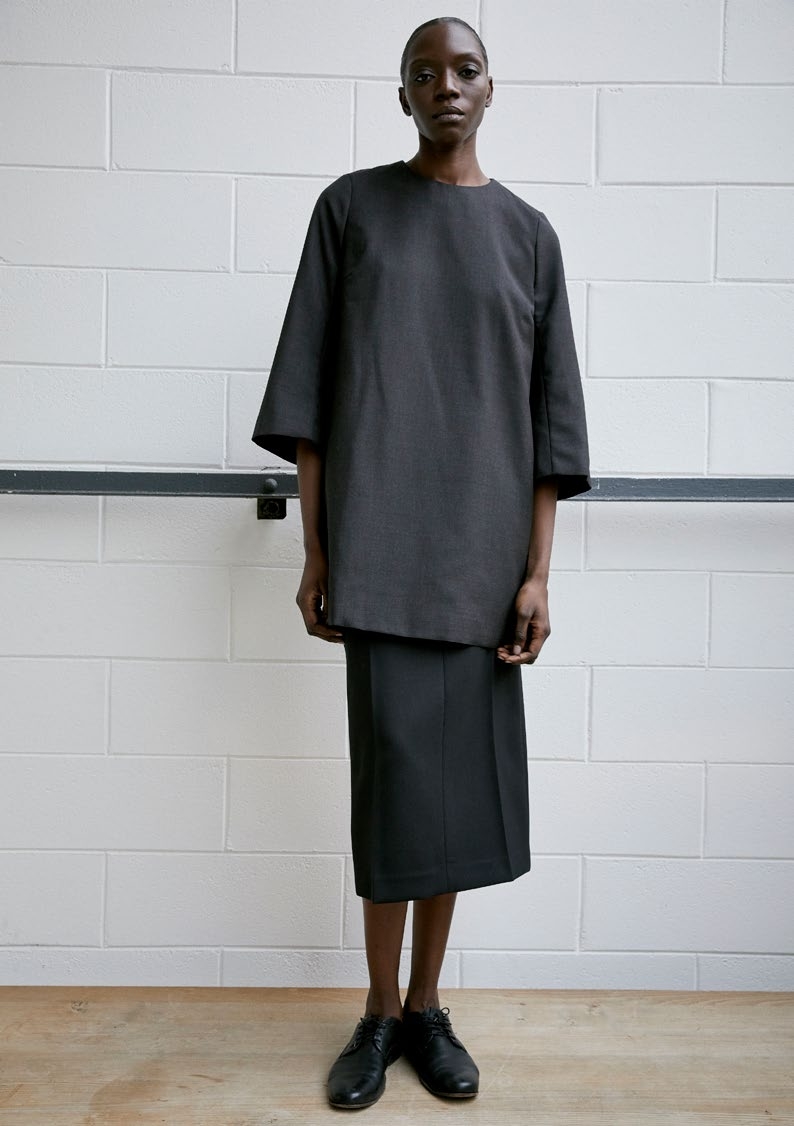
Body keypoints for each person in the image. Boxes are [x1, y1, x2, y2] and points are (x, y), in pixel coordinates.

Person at [252, 15, 590, 1111]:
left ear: (492, 88)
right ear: (402, 95)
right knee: (393, 792)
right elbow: (309, 397)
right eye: (423, 73)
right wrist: (317, 550)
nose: (446, 85)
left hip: (484, 565)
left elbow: (551, 425)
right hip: (380, 549)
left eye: (464, 69)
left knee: (454, 802)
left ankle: (427, 1010)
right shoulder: (350, 210)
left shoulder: (528, 236)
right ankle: (378, 1010)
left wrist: (536, 573)